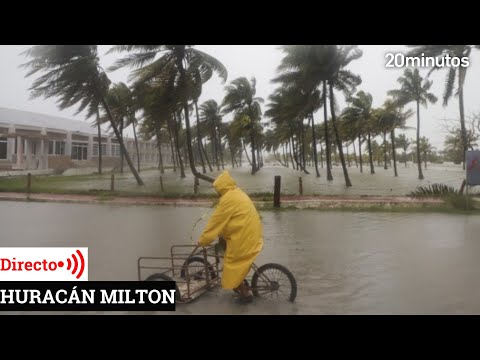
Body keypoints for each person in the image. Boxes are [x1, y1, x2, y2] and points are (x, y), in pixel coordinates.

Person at [197, 170, 264, 303]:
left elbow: (215, 223)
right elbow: (229, 220)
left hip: (244, 238)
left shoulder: (228, 200)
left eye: (217, 189)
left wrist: (203, 241)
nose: (217, 192)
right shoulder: (237, 193)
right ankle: (240, 282)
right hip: (252, 234)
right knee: (229, 251)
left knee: (230, 265)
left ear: (222, 187)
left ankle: (245, 295)